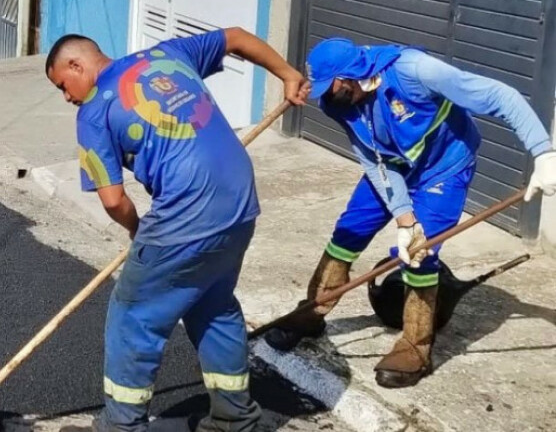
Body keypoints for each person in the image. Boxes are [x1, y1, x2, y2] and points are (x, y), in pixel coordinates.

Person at [45, 29, 310, 431]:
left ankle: (121, 426)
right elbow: (236, 37)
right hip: (239, 205)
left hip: (188, 216)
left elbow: (113, 200)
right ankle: (235, 419)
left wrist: (138, 232)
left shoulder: (94, 113)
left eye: (63, 85)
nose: (67, 97)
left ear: (77, 65)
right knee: (213, 305)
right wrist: (288, 73)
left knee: (133, 315)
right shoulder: (166, 54)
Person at [263, 37, 556, 388]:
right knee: (349, 232)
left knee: (420, 252)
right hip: (391, 166)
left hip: (444, 167)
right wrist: (404, 217)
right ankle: (311, 313)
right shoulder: (336, 102)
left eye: (332, 86)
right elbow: (372, 159)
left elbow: (502, 96)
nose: (326, 96)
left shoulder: (415, 70)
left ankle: (415, 347)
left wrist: (543, 153)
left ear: (352, 75)